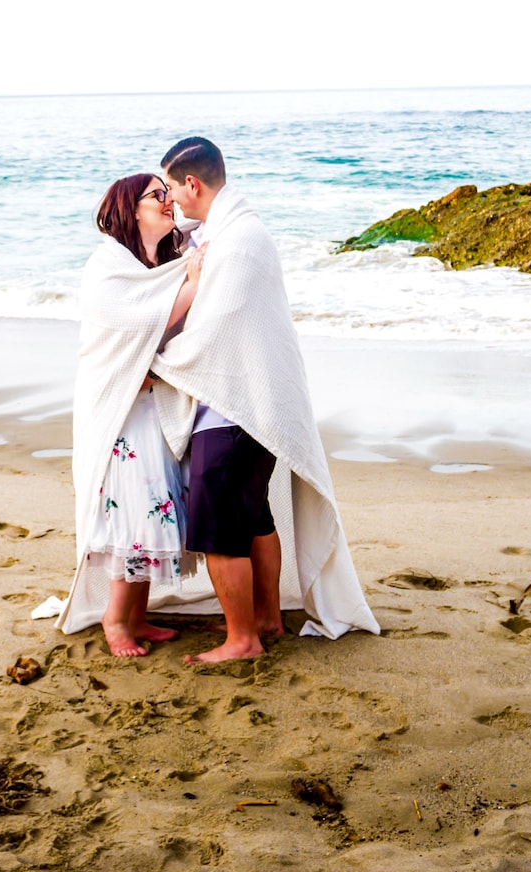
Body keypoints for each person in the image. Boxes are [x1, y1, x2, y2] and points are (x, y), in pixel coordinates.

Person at [150, 136, 378, 662]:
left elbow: (221, 326)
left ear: (193, 183)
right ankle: (268, 619)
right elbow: (181, 236)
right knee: (254, 520)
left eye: (174, 190)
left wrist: (157, 364)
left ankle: (242, 640)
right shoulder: (232, 228)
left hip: (232, 408)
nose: (173, 202)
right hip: (252, 407)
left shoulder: (239, 240)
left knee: (219, 534)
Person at [59, 172, 206, 656]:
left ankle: (137, 617)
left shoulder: (158, 263)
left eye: (169, 193)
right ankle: (114, 620)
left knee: (153, 504)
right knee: (137, 507)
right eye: (157, 195)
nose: (168, 201)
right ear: (130, 208)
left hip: (148, 404)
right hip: (120, 410)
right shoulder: (109, 266)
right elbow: (145, 322)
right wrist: (191, 280)